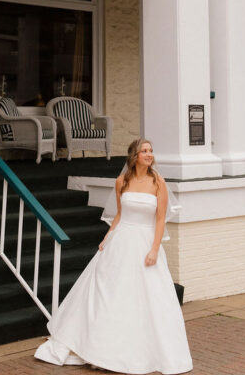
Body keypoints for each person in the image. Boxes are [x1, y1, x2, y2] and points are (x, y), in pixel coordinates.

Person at [34, 138, 193, 374]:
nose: (149, 155)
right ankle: (97, 346)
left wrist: (154, 249)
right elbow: (119, 215)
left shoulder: (158, 182)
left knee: (147, 296)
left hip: (145, 242)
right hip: (120, 241)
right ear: (134, 156)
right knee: (109, 293)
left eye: (151, 150)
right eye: (144, 151)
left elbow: (160, 219)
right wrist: (107, 237)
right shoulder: (122, 181)